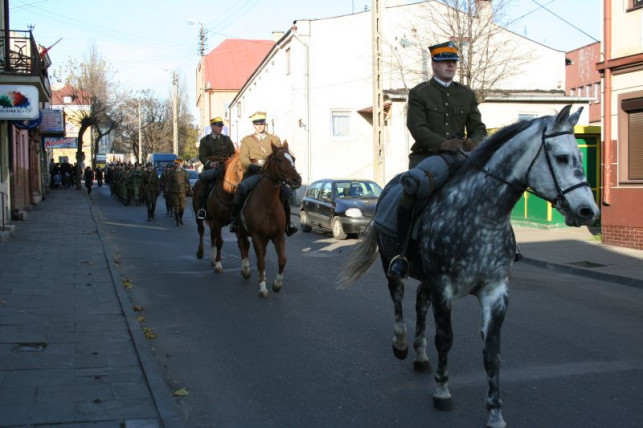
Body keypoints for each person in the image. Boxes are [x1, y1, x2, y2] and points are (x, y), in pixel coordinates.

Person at [388, 41, 487, 280]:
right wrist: (443, 144)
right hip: (427, 156)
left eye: (453, 61)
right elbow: (416, 126)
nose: (450, 65)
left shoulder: (466, 94)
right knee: (413, 188)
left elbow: (478, 127)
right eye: (444, 61)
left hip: (461, 158)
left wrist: (474, 140)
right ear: (434, 64)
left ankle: (504, 243)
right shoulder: (420, 92)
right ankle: (401, 254)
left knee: (491, 186)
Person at [229, 111, 297, 236]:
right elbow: (243, 157)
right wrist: (250, 166)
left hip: (271, 174)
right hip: (254, 173)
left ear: (265, 124)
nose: (259, 126)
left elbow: (281, 154)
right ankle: (234, 220)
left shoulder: (274, 139)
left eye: (261, 123)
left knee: (286, 192)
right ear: (253, 125)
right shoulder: (247, 140)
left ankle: (288, 223)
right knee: (242, 188)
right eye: (257, 124)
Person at [196, 116, 236, 219]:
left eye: (221, 126)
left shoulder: (226, 140)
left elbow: (233, 154)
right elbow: (202, 156)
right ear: (212, 126)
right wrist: (211, 164)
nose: (220, 128)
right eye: (218, 126)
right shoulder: (205, 141)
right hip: (211, 168)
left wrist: (230, 161)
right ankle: (202, 208)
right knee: (204, 183)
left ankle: (236, 211)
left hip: (225, 167)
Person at [166, 159, 191, 226]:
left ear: (180, 164)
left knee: (182, 207)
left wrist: (190, 190)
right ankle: (177, 220)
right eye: (175, 164)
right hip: (174, 192)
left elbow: (187, 182)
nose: (175, 165)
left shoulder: (184, 172)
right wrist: (167, 190)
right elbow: (168, 182)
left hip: (182, 192)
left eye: (177, 164)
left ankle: (180, 218)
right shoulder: (172, 172)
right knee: (176, 206)